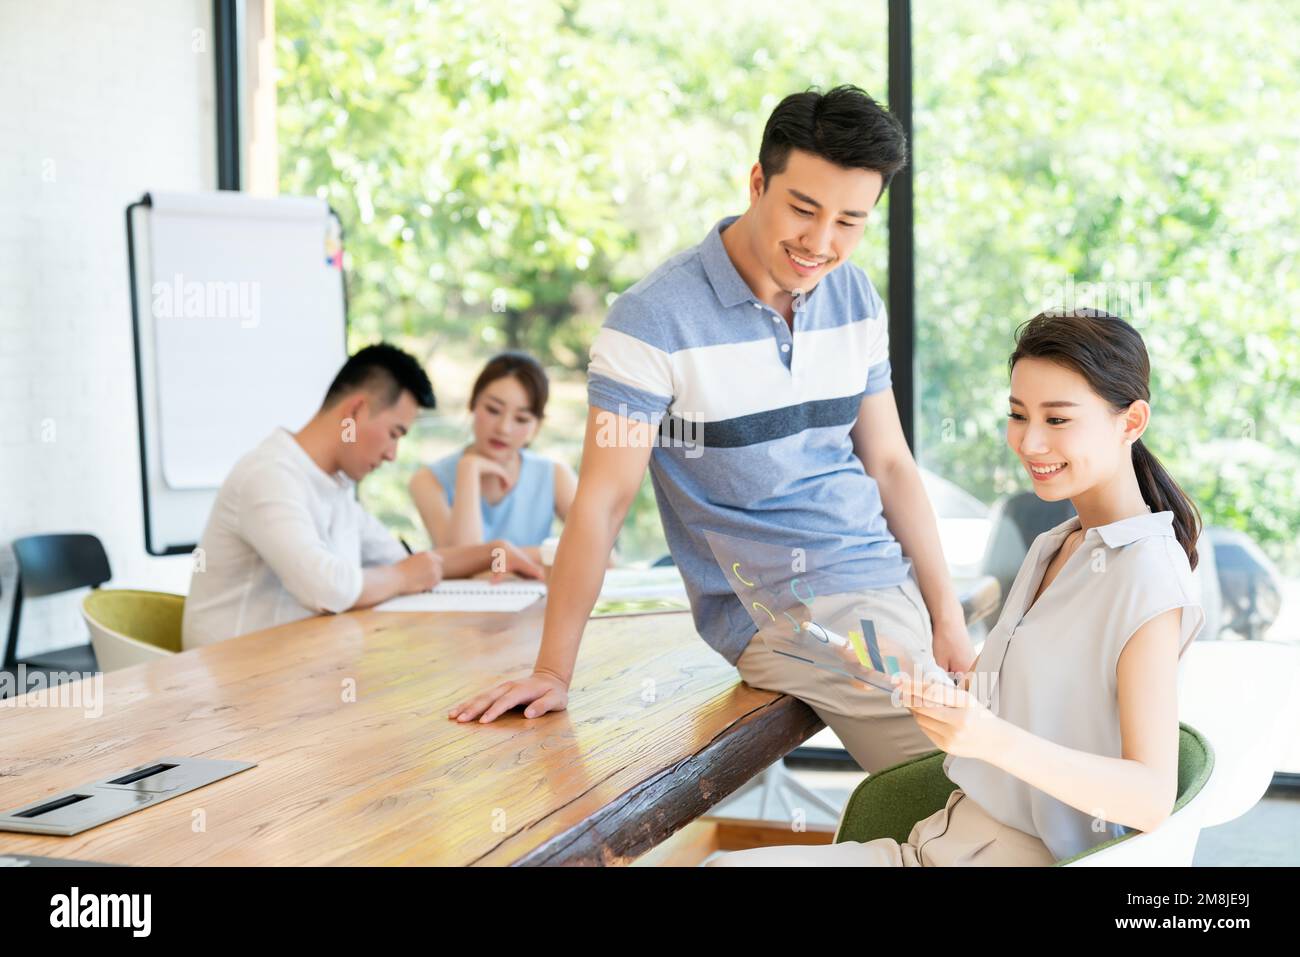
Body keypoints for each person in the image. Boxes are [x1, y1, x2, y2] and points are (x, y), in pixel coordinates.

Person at [450, 85, 976, 777]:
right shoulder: (653, 322)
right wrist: (553, 670)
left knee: (996, 748)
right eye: (804, 209)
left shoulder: (855, 298)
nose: (821, 243)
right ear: (758, 182)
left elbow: (891, 465)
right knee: (960, 765)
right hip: (775, 611)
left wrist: (950, 616)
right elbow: (602, 503)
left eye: (850, 221)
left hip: (882, 581)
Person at [709, 310, 1206, 865]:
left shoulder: (1148, 576)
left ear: (1131, 422)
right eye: (1018, 415)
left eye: (1058, 419)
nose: (1030, 442)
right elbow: (1049, 703)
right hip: (937, 840)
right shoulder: (1056, 545)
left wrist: (988, 737)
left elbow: (1150, 797)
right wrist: (920, 676)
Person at [183, 343, 541, 650]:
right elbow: (327, 587)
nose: (391, 454)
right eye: (394, 433)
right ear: (354, 412)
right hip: (235, 689)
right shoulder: (269, 475)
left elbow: (414, 562)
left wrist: (494, 552)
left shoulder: (333, 487)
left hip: (295, 673)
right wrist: (401, 577)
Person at [409, 352, 577, 562]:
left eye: (521, 419)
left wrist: (505, 556)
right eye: (493, 409)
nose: (504, 428)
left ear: (536, 427)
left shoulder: (554, 475)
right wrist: (468, 470)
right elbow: (464, 563)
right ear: (472, 404)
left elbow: (600, 554)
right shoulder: (427, 481)